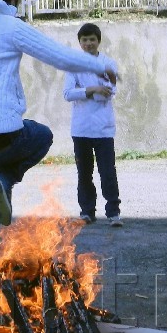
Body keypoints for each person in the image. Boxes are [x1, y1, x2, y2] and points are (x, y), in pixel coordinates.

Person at [0, 0, 118, 228]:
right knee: (42, 136)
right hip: (1, 137)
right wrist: (97, 66)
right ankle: (3, 180)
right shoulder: (10, 26)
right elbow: (60, 57)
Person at [63, 23, 122, 227]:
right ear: (79, 42)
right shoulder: (73, 65)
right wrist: (93, 89)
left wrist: (86, 90)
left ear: (98, 41)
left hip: (103, 128)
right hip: (81, 129)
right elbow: (68, 94)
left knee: (107, 171)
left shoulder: (108, 64)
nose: (88, 43)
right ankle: (87, 211)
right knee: (84, 172)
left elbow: (110, 92)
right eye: (84, 40)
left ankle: (113, 212)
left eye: (92, 39)